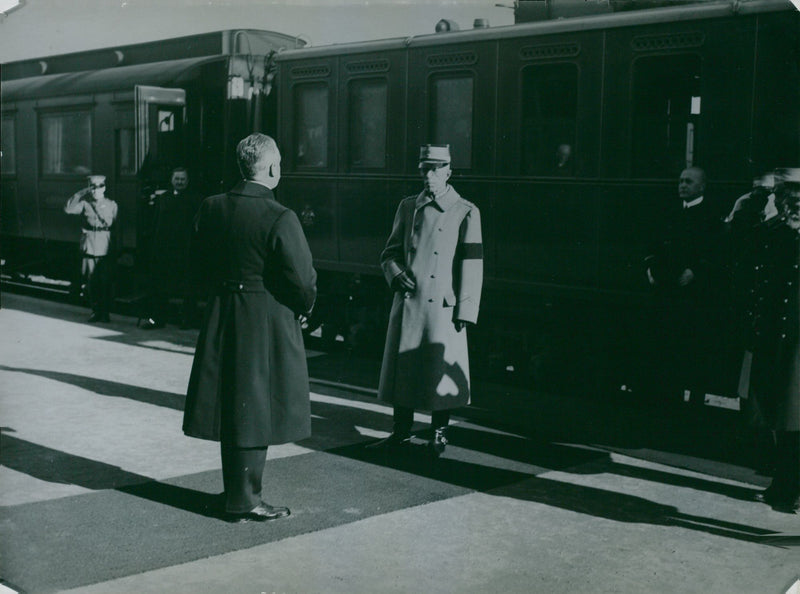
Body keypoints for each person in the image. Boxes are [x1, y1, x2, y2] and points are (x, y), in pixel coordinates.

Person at [182, 134, 317, 522]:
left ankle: (236, 493)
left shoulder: (212, 207)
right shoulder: (280, 216)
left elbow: (196, 263)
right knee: (256, 405)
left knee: (232, 400)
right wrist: (304, 306)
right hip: (264, 318)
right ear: (273, 168)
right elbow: (303, 279)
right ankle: (246, 500)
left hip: (223, 312)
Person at [369, 144, 483, 457]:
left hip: (443, 306)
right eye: (424, 170)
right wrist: (394, 273)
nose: (429, 176)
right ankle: (400, 431)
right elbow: (389, 253)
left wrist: (466, 308)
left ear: (449, 171)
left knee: (437, 372)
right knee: (403, 368)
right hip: (409, 300)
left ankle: (439, 433)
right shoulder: (407, 207)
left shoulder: (466, 211)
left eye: (436, 169)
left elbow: (472, 264)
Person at [735, 168, 800, 513]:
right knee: (782, 416)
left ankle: (790, 489)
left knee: (795, 417)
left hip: (798, 341)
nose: (795, 205)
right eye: (789, 197)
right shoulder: (773, 234)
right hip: (777, 338)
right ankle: (785, 485)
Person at [644, 166, 727, 406]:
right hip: (666, 290)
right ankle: (668, 400)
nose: (682, 185)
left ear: (701, 186)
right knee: (665, 346)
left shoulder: (711, 216)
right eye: (680, 180)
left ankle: (694, 402)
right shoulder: (668, 211)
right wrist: (651, 269)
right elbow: (653, 244)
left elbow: (718, 252)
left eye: (688, 182)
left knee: (692, 349)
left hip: (694, 296)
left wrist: (696, 272)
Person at [140, 167, 203, 329]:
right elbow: (155, 224)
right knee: (160, 286)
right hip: (164, 250)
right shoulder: (163, 199)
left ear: (187, 181)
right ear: (172, 180)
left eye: (183, 179)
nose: (180, 182)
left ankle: (188, 320)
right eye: (177, 179)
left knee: (188, 288)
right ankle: (158, 319)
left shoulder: (195, 199)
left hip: (185, 250)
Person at [63, 174, 118, 323]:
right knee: (91, 282)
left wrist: (117, 248)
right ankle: (95, 311)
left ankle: (105, 312)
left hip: (106, 246)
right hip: (90, 247)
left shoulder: (112, 205)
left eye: (99, 186)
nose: (96, 190)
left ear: (104, 188)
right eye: (92, 187)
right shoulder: (84, 204)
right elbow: (68, 209)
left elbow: (117, 227)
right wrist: (80, 193)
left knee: (105, 281)